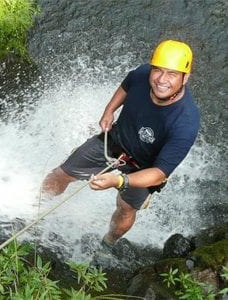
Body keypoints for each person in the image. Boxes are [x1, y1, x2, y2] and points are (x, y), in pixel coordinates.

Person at [41, 40, 200, 251]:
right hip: (113, 142)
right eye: (158, 71)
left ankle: (108, 242)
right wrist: (109, 110)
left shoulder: (185, 122)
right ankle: (37, 211)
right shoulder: (143, 74)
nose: (161, 80)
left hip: (144, 168)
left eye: (172, 74)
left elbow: (160, 173)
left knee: (125, 208)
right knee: (60, 174)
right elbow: (127, 84)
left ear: (185, 77)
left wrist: (118, 180)